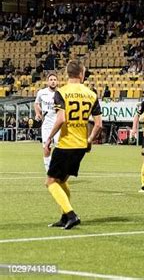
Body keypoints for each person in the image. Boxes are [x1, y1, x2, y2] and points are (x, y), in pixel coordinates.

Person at [44, 60, 102, 230]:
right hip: (81, 145)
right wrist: (89, 140)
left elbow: (61, 119)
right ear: (81, 74)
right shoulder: (91, 94)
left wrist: (49, 139)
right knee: (61, 180)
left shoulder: (61, 92)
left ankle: (71, 214)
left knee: (50, 182)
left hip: (66, 144)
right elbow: (98, 124)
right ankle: (64, 216)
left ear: (67, 74)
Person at [35, 73, 60, 171]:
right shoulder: (42, 92)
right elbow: (36, 103)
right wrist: (38, 113)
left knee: (59, 149)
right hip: (47, 124)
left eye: (54, 79)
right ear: (47, 81)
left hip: (58, 124)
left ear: (57, 81)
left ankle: (58, 170)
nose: (53, 81)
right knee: (46, 147)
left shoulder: (61, 93)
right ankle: (49, 172)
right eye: (51, 79)